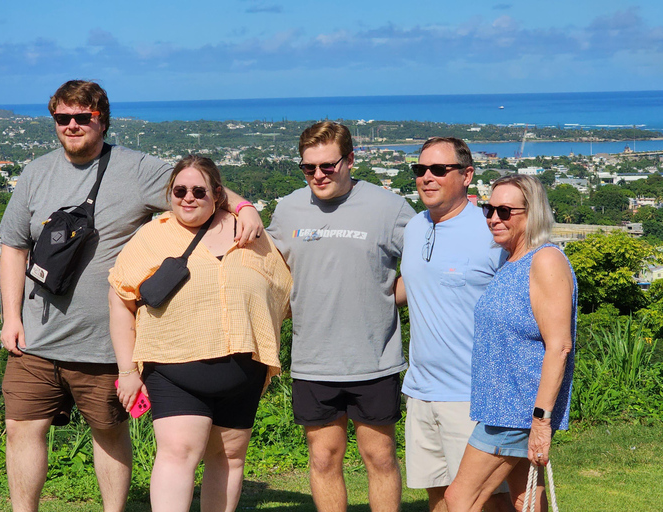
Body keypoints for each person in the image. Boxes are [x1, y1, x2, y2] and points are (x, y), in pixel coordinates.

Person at [0, 80, 263, 512]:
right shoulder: (35, 173)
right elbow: (13, 246)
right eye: (62, 118)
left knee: (108, 431)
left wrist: (246, 206)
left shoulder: (135, 169)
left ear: (102, 119)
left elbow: (198, 187)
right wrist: (12, 316)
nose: (71, 125)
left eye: (83, 117)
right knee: (21, 428)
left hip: (103, 341)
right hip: (36, 337)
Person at [108, 155, 291, 512]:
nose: (188, 198)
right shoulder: (154, 235)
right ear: (170, 193)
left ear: (217, 194)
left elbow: (280, 291)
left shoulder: (249, 232)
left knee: (230, 458)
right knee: (178, 454)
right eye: (179, 190)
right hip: (174, 369)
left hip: (242, 370)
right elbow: (120, 299)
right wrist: (127, 371)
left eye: (198, 191)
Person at [267, 121, 416, 512]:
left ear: (350, 160)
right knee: (323, 459)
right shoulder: (288, 210)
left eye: (328, 166)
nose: (318, 175)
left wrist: (387, 299)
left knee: (380, 457)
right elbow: (266, 270)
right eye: (308, 167)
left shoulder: (389, 208)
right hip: (313, 360)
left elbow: (422, 267)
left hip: (373, 360)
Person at [444, 174, 577, 512]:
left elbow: (559, 345)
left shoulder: (545, 261)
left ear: (531, 214)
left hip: (517, 410)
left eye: (504, 211)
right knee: (525, 499)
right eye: (489, 209)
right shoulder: (510, 261)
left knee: (459, 499)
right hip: (503, 407)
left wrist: (540, 421)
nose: (493, 218)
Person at [396, 137, 512, 512]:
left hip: (472, 394)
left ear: (466, 175)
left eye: (439, 169)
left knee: (485, 501)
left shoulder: (490, 232)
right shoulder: (415, 227)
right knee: (438, 498)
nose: (427, 177)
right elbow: (410, 286)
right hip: (420, 389)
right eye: (420, 170)